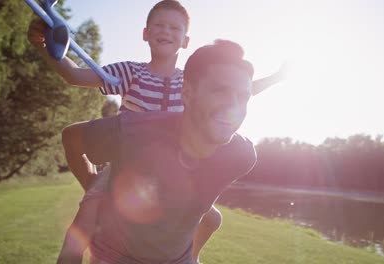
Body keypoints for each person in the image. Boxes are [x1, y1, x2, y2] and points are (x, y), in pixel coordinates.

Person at [27, 1, 284, 262]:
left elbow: (236, 91)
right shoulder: (129, 72)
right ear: (145, 34)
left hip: (171, 168)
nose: (166, 31)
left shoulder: (192, 80)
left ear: (185, 40)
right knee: (86, 220)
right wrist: (44, 46)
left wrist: (274, 79)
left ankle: (191, 256)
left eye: (175, 28)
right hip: (125, 164)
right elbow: (74, 75)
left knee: (212, 219)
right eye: (159, 25)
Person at [60, 39, 257, 264]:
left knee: (213, 219)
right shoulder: (133, 131)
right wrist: (93, 185)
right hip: (116, 257)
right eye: (220, 91)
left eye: (243, 97)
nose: (233, 107)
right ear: (187, 93)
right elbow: (71, 139)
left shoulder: (240, 156)